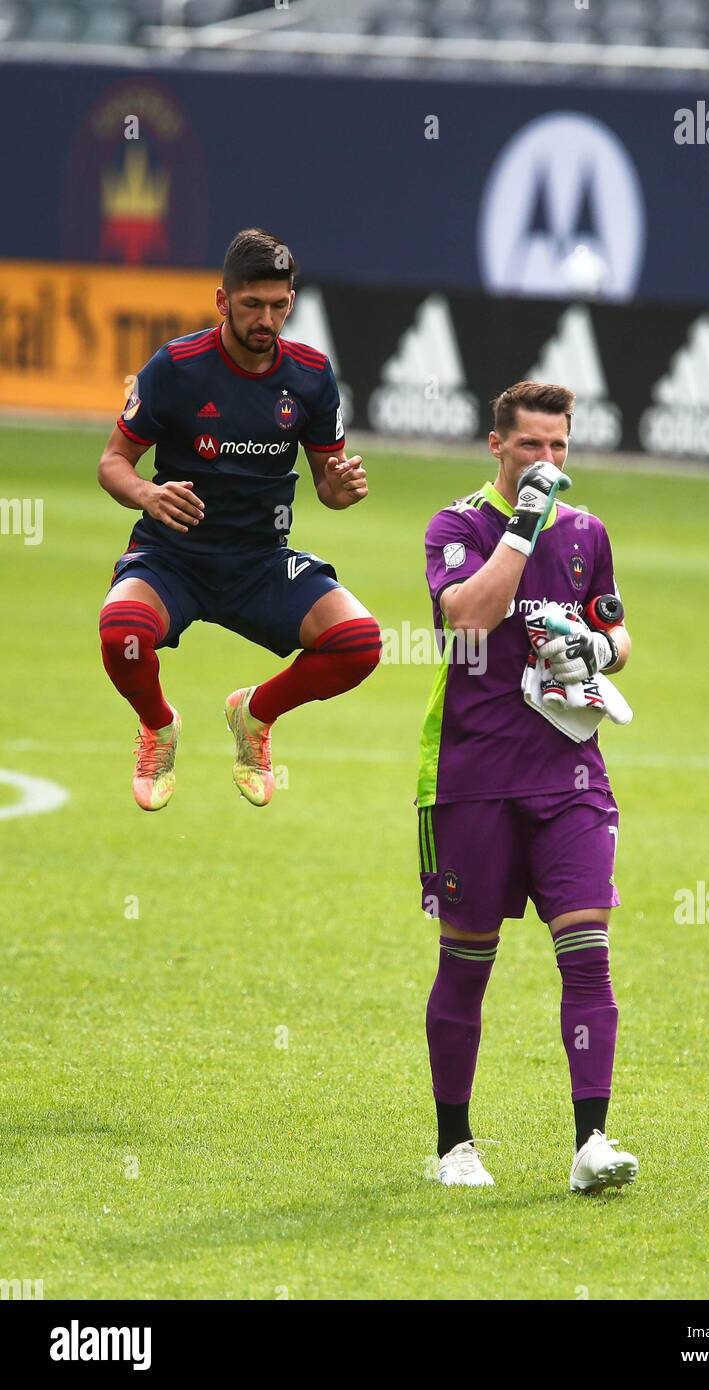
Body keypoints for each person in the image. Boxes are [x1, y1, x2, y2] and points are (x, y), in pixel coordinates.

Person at [417, 380, 638, 1192]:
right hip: (472, 775)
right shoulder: (458, 526)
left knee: (588, 953)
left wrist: (595, 647)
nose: (548, 460)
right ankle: (455, 1145)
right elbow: (470, 618)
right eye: (532, 446)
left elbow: (618, 632)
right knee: (468, 961)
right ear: (496, 446)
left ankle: (592, 1143)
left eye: (560, 447)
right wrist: (524, 524)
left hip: (570, 771)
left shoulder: (589, 533)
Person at [97, 228, 381, 811]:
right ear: (223, 301)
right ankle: (159, 726)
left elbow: (328, 484)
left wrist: (341, 488)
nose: (267, 319)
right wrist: (147, 495)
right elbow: (113, 463)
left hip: (259, 560)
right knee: (120, 633)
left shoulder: (311, 376)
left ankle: (254, 715)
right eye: (253, 305)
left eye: (280, 305)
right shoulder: (177, 366)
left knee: (360, 644)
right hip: (171, 554)